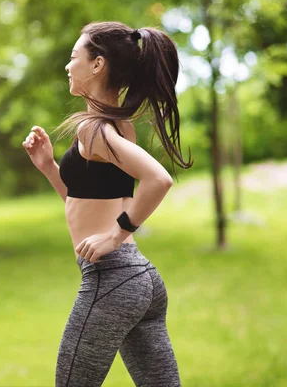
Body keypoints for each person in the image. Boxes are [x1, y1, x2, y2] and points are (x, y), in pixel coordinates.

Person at [22, 21, 193, 386]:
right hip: (141, 280)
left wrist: (114, 237)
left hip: (112, 279)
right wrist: (51, 168)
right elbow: (90, 204)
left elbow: (158, 179)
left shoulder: (92, 129)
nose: (68, 67)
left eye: (74, 57)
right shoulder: (119, 126)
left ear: (97, 64)